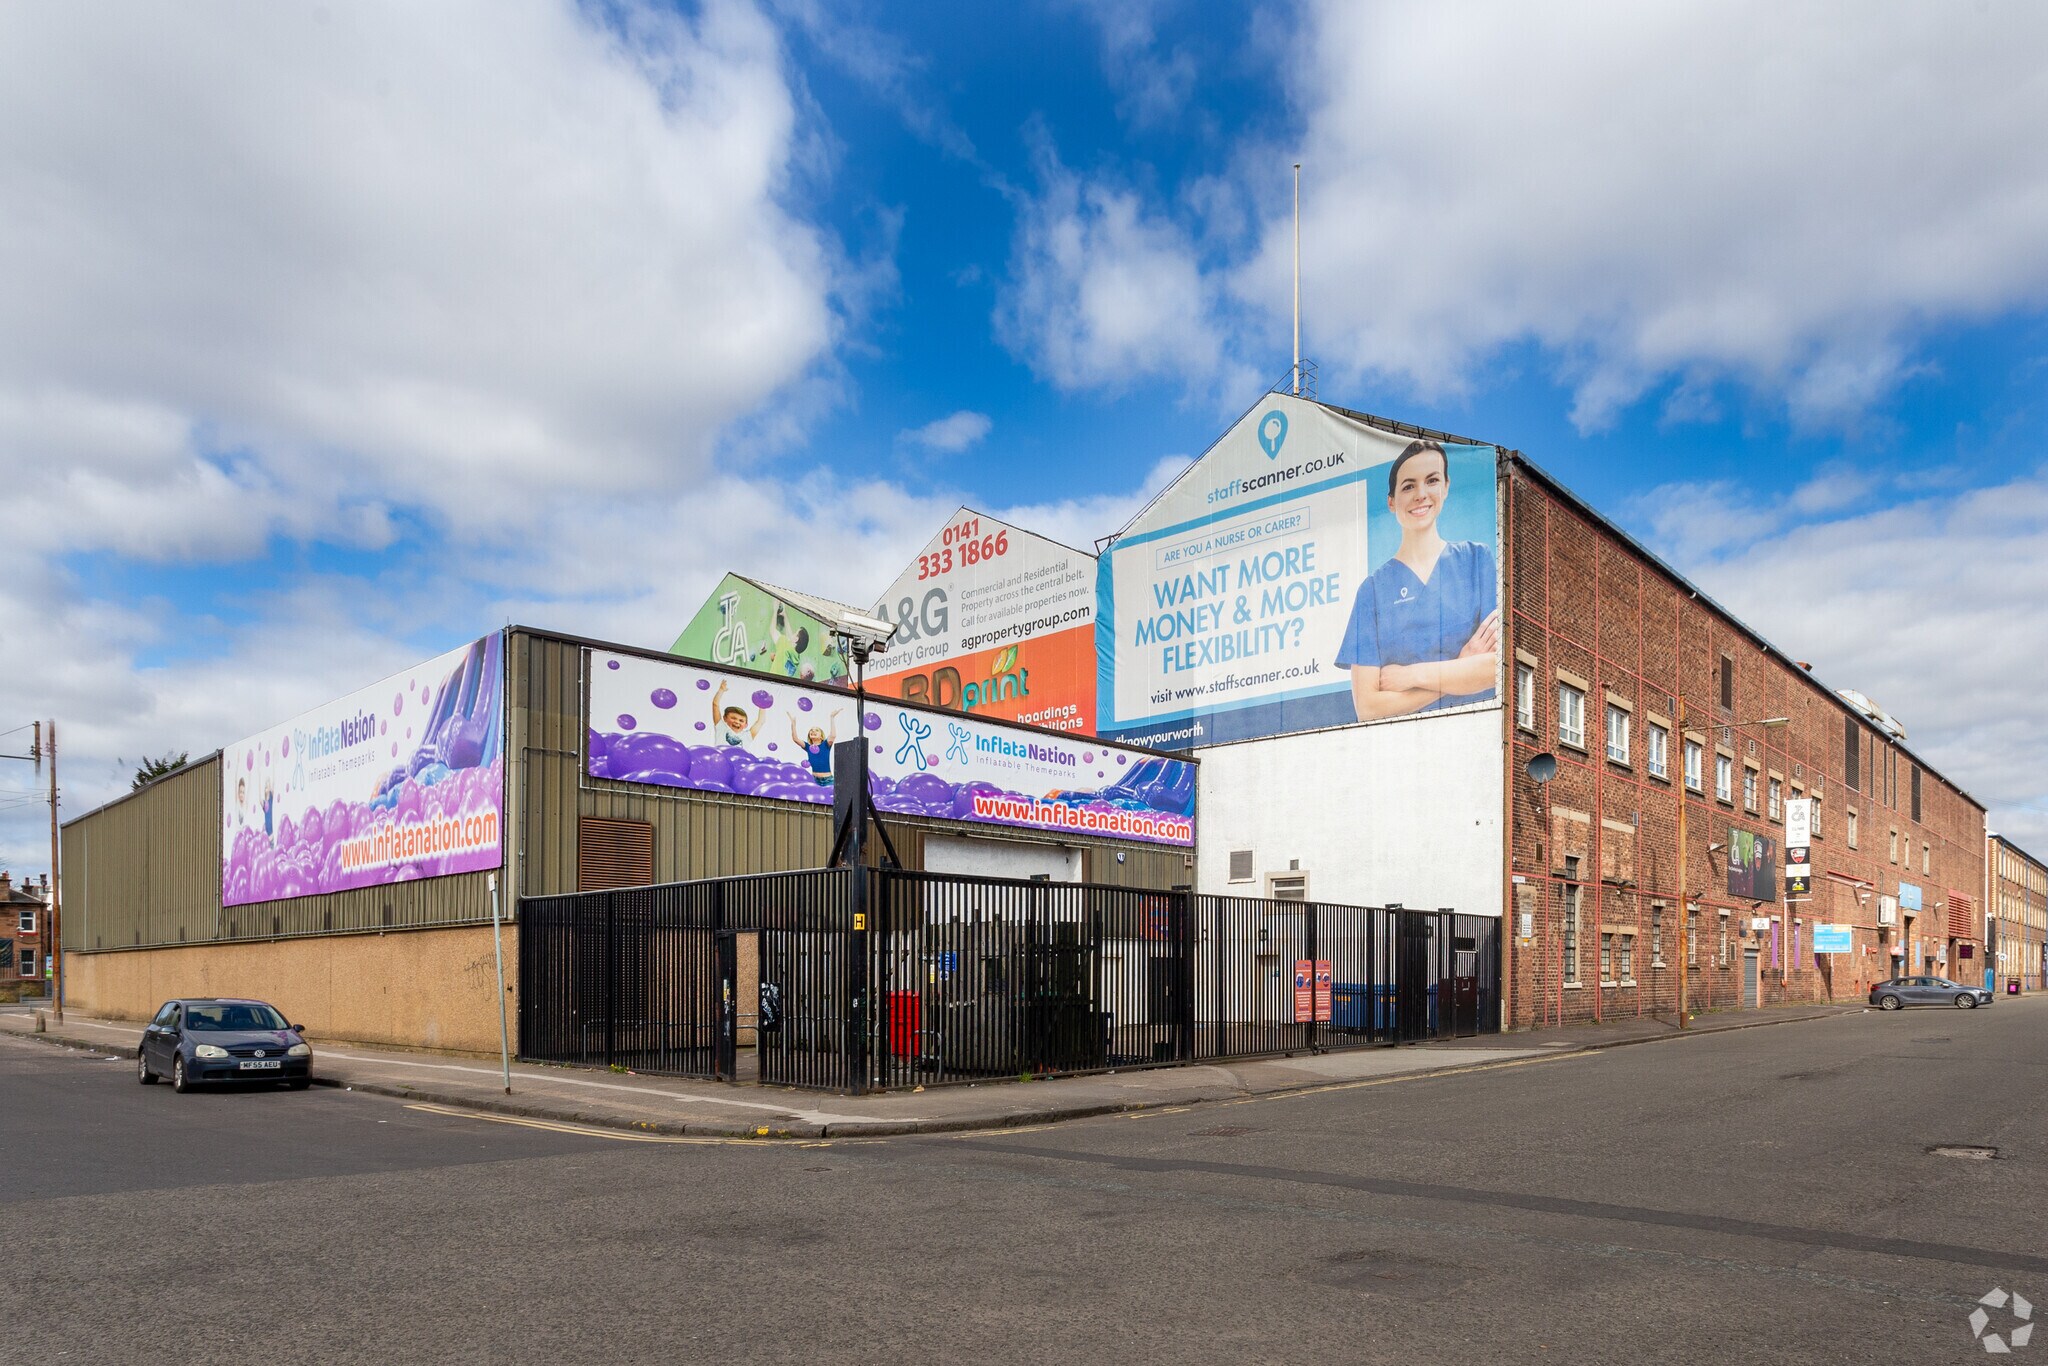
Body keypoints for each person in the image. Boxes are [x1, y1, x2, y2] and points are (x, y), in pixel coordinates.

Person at [1336, 441, 1499, 721]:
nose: (1421, 494)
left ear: (1446, 486)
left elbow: (1495, 668)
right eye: (1408, 486)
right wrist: (1460, 667)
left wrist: (1411, 675)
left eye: (1432, 480)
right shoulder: (1372, 591)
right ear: (1391, 502)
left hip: (1475, 727)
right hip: (1403, 739)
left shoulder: (1476, 560)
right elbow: (1368, 708)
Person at [790, 711, 841, 785]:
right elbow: (795, 739)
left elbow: (833, 735)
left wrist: (832, 717)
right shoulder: (808, 747)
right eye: (811, 730)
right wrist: (793, 724)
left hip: (828, 780)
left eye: (816, 730)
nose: (813, 731)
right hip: (814, 780)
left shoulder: (825, 745)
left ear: (821, 736)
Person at [711, 679, 767, 747]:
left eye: (741, 720)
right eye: (733, 718)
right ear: (725, 718)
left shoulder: (747, 736)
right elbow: (715, 705)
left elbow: (760, 722)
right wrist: (721, 690)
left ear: (746, 725)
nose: (737, 722)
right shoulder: (721, 728)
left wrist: (762, 705)